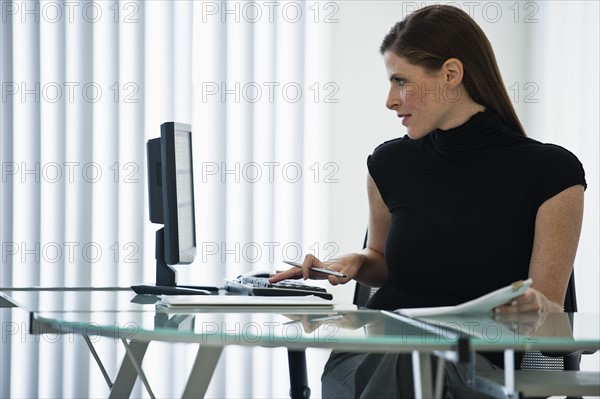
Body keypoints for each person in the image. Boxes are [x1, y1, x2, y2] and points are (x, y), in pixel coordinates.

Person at [270, 4, 586, 398]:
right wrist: (351, 262)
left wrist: (533, 306)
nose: (389, 99)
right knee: (410, 357)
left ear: (451, 74)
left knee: (421, 357)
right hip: (372, 355)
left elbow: (550, 311)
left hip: (480, 364)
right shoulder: (388, 163)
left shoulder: (551, 172)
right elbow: (381, 262)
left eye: (401, 81)